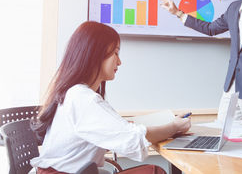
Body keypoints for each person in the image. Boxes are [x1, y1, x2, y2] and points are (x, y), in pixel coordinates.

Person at [31, 21, 191, 174]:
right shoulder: (83, 99)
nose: (119, 61)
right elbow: (133, 138)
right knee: (154, 171)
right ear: (95, 54)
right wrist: (174, 127)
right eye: (115, 53)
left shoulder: (75, 94)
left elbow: (114, 131)